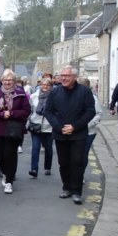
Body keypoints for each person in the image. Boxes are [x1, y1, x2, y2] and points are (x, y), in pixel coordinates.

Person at [43, 66, 96, 205]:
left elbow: (90, 111)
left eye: (67, 76)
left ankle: (77, 191)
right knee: (63, 162)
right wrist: (59, 127)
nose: (63, 78)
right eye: (62, 75)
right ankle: (66, 187)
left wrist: (74, 126)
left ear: (75, 77)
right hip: (60, 133)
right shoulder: (55, 92)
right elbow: (48, 111)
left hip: (78, 133)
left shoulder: (84, 91)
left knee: (77, 161)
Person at [0, 69, 30, 194]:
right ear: (1, 80)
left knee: (10, 155)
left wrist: (11, 113)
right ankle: (5, 172)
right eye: (5, 80)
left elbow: (26, 111)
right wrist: (0, 114)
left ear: (14, 81)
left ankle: (9, 181)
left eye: (10, 80)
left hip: (13, 129)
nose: (7, 82)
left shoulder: (20, 94)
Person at [27, 77, 55, 178]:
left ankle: (47, 167)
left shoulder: (54, 97)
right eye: (43, 84)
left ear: (51, 86)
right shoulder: (34, 96)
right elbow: (30, 109)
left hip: (49, 127)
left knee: (48, 149)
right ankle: (34, 169)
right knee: (35, 148)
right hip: (36, 125)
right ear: (40, 85)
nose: (45, 87)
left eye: (47, 85)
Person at [78, 77, 102, 180]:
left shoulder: (93, 99)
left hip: (89, 132)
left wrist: (86, 125)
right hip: (75, 131)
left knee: (83, 154)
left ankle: (80, 175)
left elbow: (98, 114)